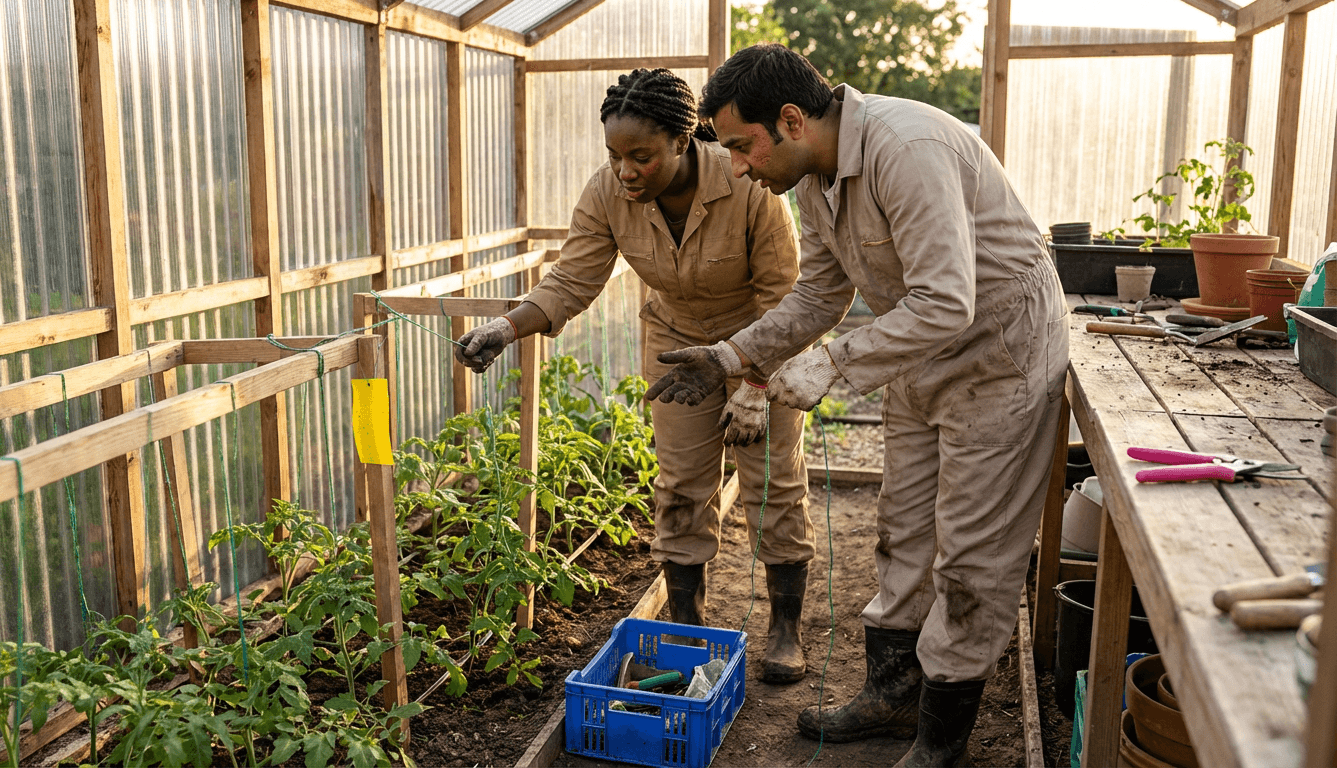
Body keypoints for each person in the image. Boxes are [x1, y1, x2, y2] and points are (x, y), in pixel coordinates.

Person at [644, 45, 1069, 767]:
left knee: (971, 553)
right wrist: (729, 357)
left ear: (790, 120)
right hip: (922, 349)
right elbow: (818, 295)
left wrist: (833, 361)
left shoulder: (909, 149)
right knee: (902, 527)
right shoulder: (815, 177)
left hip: (999, 355)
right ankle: (895, 693)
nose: (740, 167)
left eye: (743, 147)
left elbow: (948, 297)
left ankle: (941, 742)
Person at [454, 68, 816, 684]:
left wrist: (754, 385)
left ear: (683, 142)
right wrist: (505, 327)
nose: (625, 171)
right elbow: (572, 279)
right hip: (676, 344)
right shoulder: (607, 194)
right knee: (680, 485)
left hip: (760, 340)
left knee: (770, 479)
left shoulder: (750, 187)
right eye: (615, 157)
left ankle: (785, 629)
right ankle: (687, 630)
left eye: (641, 157)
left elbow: (786, 299)